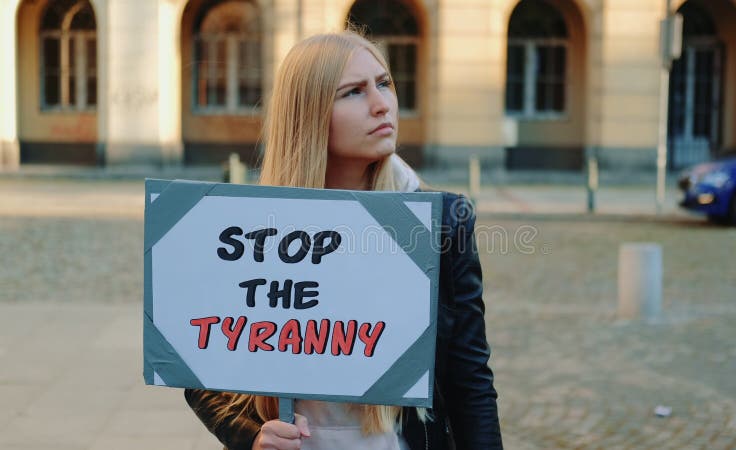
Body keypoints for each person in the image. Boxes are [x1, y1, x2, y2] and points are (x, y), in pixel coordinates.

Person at [184, 30, 502, 450]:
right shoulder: (248, 227)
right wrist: (251, 437)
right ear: (310, 114)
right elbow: (197, 365)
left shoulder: (442, 222)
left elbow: (470, 382)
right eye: (353, 92)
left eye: (384, 83)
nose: (381, 104)